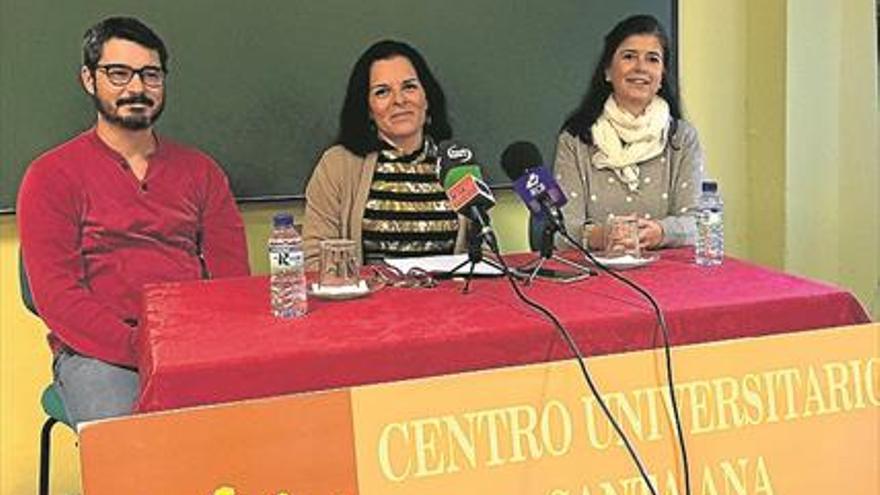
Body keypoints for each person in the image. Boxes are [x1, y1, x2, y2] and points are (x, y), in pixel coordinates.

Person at [17, 17, 250, 426]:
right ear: (89, 79)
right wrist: (141, 348)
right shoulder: (50, 176)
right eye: (119, 73)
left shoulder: (202, 172)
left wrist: (198, 348)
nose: (137, 88)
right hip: (99, 354)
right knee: (132, 439)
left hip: (192, 346)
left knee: (263, 415)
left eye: (150, 75)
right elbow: (59, 299)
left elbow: (231, 280)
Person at [303, 40, 467, 268]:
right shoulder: (338, 165)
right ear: (368, 109)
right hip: (367, 302)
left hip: (450, 301)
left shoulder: (457, 161)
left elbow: (485, 249)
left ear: (427, 98)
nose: (399, 100)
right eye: (382, 92)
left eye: (409, 87)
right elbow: (314, 259)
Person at [554, 14, 706, 252]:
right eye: (629, 56)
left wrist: (660, 232)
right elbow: (561, 229)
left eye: (653, 59)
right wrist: (603, 236)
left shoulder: (682, 138)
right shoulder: (576, 138)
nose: (641, 68)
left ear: (662, 75)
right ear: (607, 71)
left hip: (668, 277)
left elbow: (698, 222)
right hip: (595, 275)